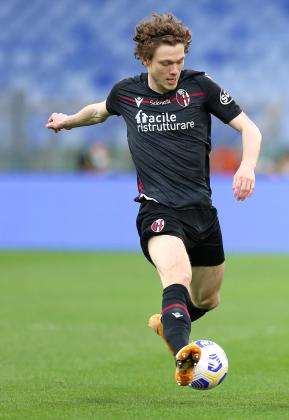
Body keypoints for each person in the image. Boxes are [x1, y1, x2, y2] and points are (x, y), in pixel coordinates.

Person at [46, 13, 262, 387]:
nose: (175, 69)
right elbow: (98, 111)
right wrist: (67, 121)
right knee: (177, 275)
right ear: (146, 60)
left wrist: (248, 166)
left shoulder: (200, 87)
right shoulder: (127, 93)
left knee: (208, 299)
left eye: (180, 60)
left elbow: (249, 127)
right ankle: (183, 356)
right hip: (158, 210)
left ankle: (169, 325)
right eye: (166, 63)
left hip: (202, 212)